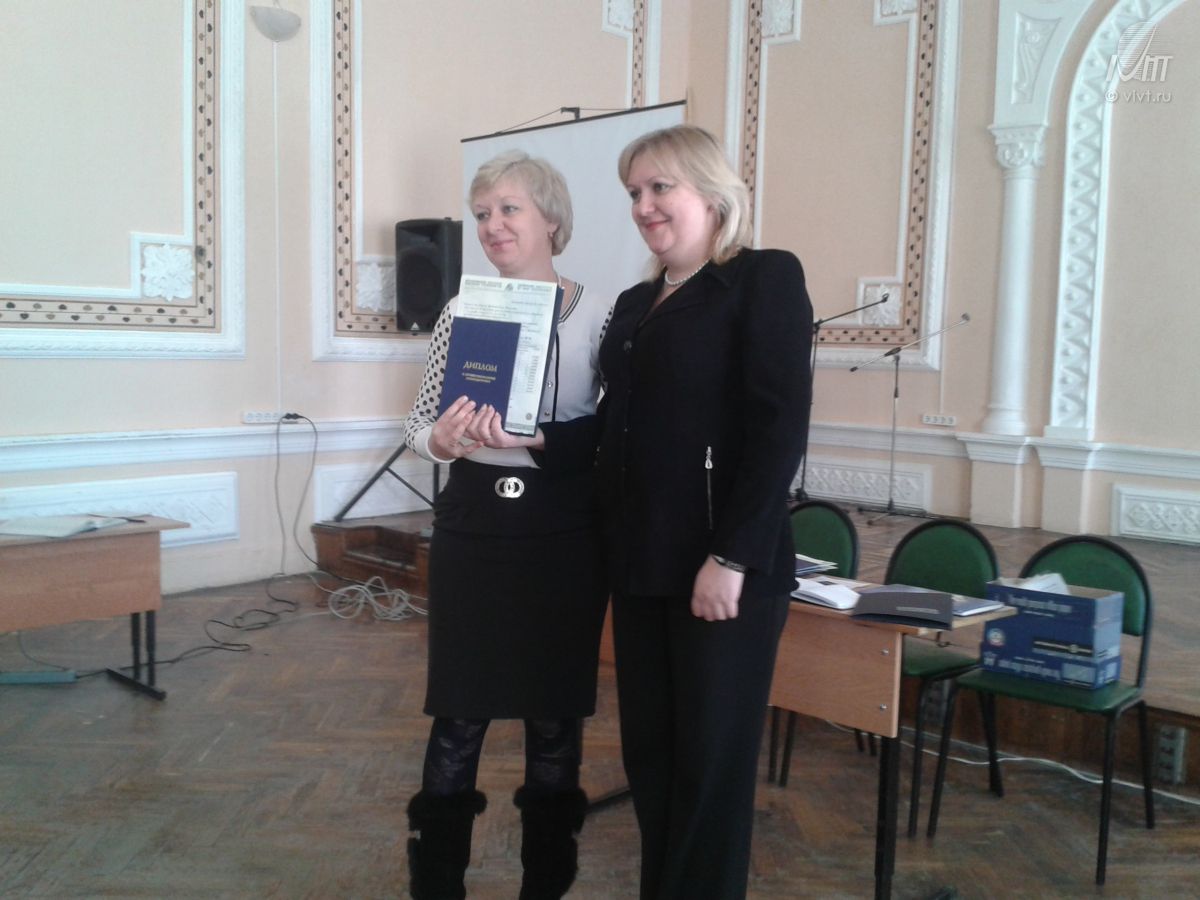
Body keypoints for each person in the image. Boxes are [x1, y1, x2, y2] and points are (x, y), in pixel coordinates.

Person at [473, 124, 812, 899]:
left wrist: (732, 557)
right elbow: (613, 425)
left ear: (712, 192)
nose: (644, 206)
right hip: (638, 562)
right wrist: (534, 437)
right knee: (653, 762)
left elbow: (778, 428)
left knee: (709, 770)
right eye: (634, 192)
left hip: (718, 569)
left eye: (662, 188)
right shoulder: (635, 302)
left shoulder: (762, 278)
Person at [402, 150, 612, 900]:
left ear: (551, 218)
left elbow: (616, 433)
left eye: (509, 209)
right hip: (474, 529)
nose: (492, 225)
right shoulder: (461, 311)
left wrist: (539, 437)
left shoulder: (603, 314)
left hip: (564, 534)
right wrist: (442, 440)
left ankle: (545, 887)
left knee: (554, 720)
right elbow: (416, 425)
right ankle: (437, 888)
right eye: (482, 213)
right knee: (459, 714)